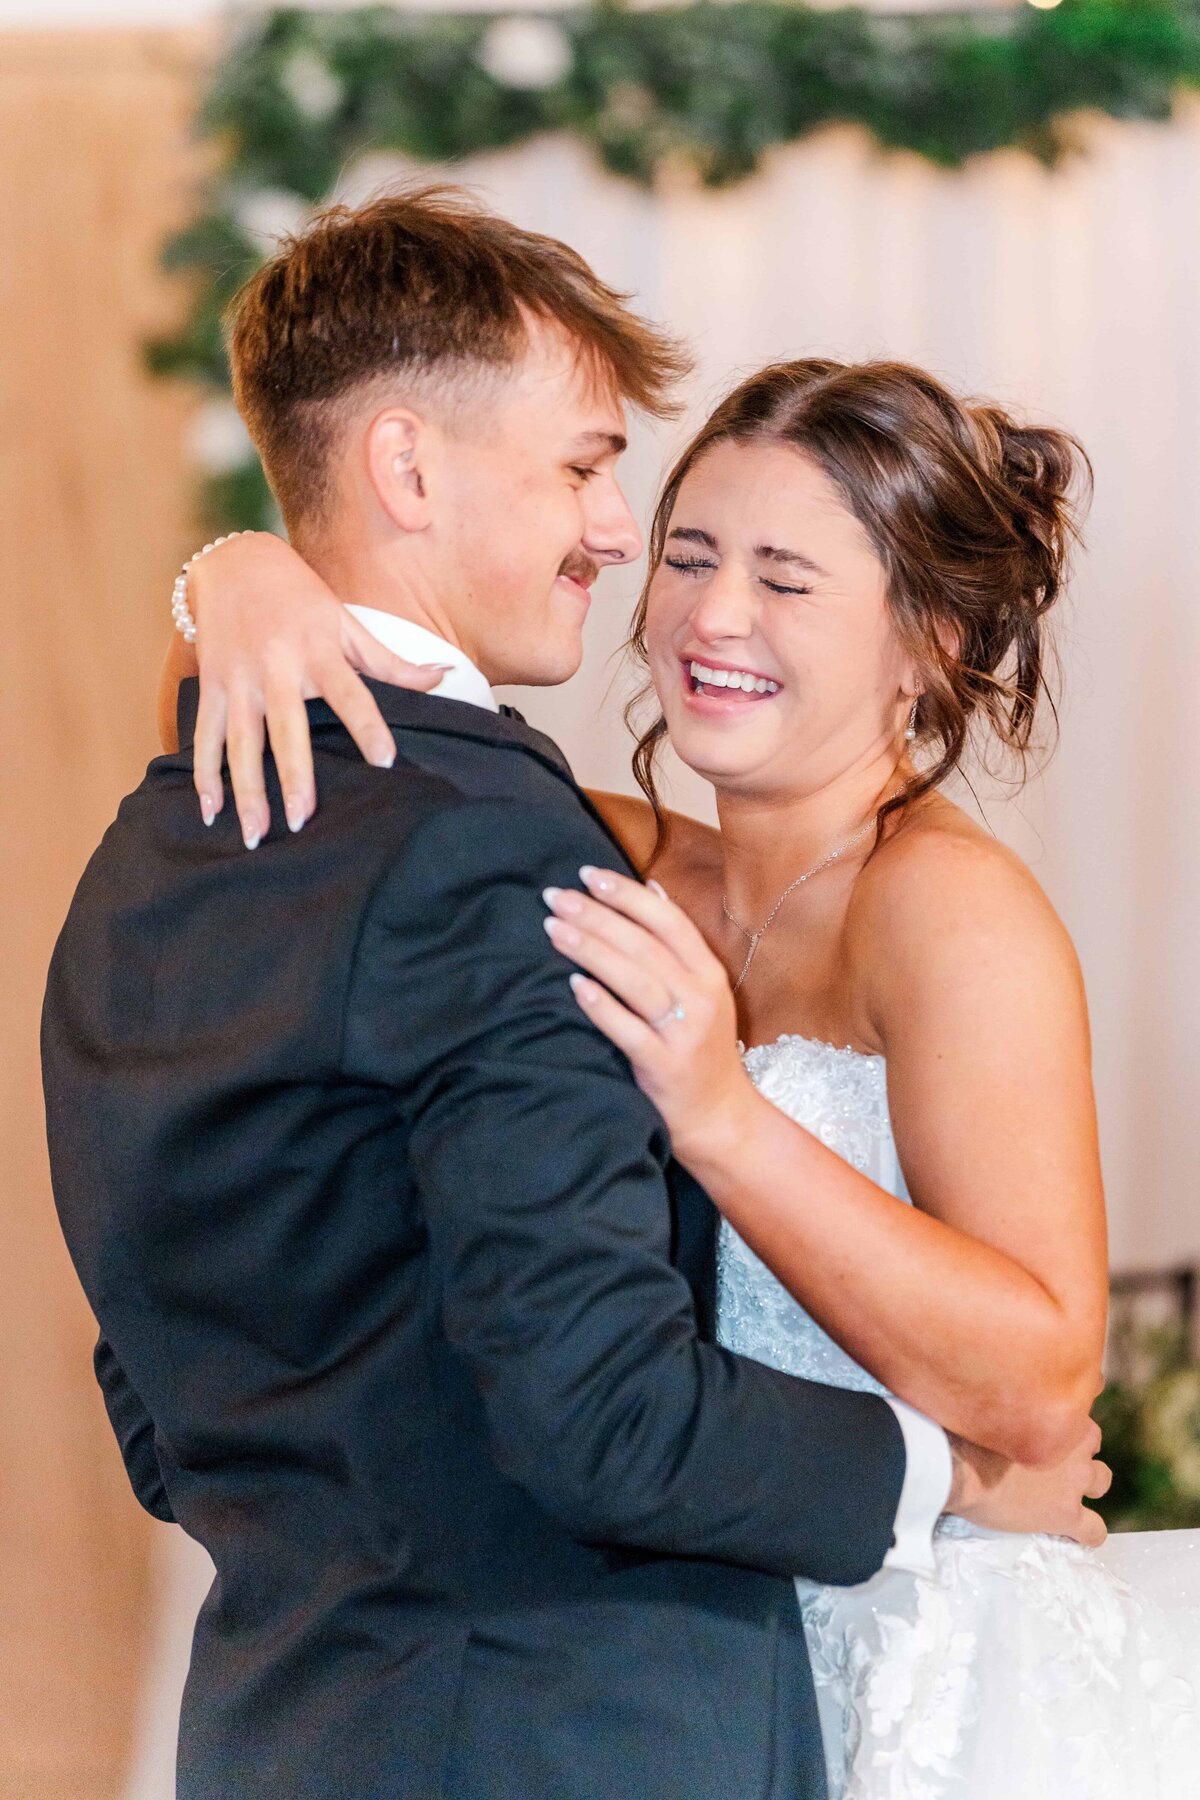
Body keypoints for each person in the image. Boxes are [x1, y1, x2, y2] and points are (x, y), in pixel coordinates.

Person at [41, 189, 1102, 1800]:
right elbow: (328, 768)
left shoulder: (938, 909)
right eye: (677, 542)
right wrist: (237, 573)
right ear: (410, 469)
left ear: (929, 644)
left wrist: (726, 1118)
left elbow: (1042, 1377)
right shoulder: (574, 847)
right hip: (598, 1673)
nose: (694, 604)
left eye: (786, 579)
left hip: (855, 1647)